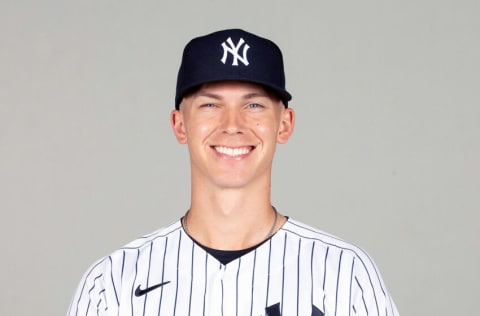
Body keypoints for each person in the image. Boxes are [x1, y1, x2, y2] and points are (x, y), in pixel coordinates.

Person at [68, 28, 399, 316]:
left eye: (253, 105)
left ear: (284, 125)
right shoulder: (113, 282)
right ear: (179, 125)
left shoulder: (344, 273)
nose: (232, 125)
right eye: (210, 105)